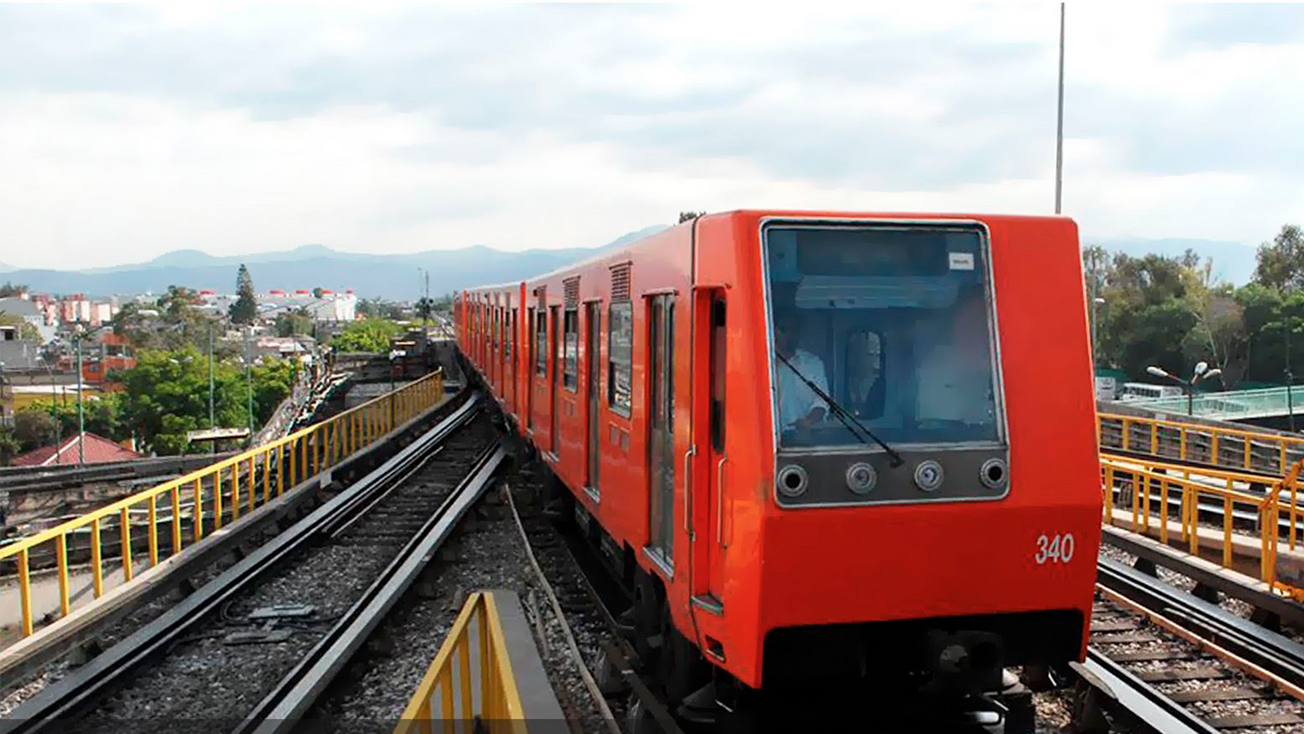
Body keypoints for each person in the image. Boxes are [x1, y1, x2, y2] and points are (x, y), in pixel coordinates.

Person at [774, 313, 829, 431]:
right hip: (768, 437)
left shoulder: (813, 363)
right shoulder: (761, 365)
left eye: (794, 330)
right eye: (784, 329)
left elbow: (822, 402)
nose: (790, 334)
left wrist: (809, 421)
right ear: (773, 331)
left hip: (802, 436)